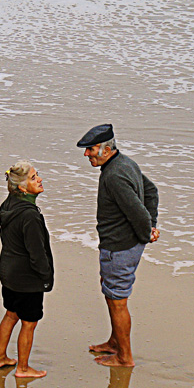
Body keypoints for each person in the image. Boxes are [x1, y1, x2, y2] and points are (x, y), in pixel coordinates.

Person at [77, 124, 159, 367]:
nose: (86, 155)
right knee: (110, 291)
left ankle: (124, 357)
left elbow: (138, 213)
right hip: (125, 245)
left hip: (120, 247)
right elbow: (152, 191)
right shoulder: (125, 163)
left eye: (90, 149)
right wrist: (151, 227)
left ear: (105, 149)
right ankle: (115, 342)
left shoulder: (114, 176)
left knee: (117, 301)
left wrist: (147, 231)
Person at [0, 160, 54, 378]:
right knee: (29, 322)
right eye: (33, 177)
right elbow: (37, 254)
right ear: (22, 187)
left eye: (37, 175)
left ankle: (0, 358)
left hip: (8, 272)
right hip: (27, 279)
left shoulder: (7, 205)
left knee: (11, 314)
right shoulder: (29, 215)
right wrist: (46, 278)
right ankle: (23, 368)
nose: (39, 180)